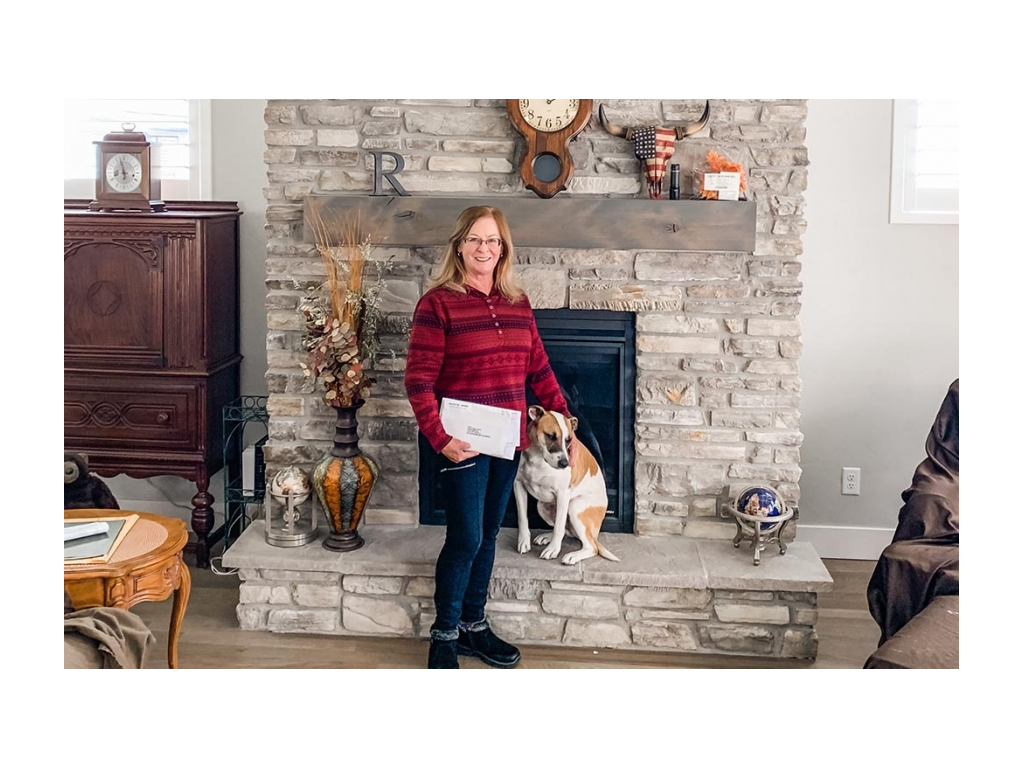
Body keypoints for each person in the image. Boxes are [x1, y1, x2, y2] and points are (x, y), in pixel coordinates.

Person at [405, 205, 571, 669]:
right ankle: (443, 634)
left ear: (503, 248)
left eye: (493, 240)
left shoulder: (517, 302)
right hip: (461, 443)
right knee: (465, 537)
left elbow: (538, 366)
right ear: (459, 245)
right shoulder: (437, 303)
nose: (485, 248)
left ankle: (473, 626)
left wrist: (565, 419)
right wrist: (440, 439)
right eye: (476, 239)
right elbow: (418, 381)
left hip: (508, 439)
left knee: (490, 533)